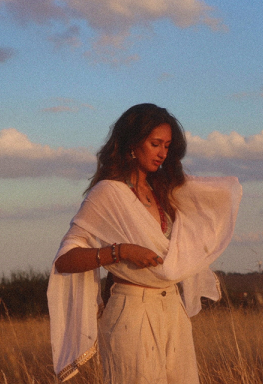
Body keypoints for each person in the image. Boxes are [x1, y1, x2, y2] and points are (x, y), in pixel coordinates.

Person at [47, 103, 242, 383]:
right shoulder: (108, 193)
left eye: (167, 145)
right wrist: (120, 251)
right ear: (132, 144)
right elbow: (65, 260)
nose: (162, 153)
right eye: (155, 144)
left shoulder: (164, 190)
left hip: (174, 309)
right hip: (132, 312)